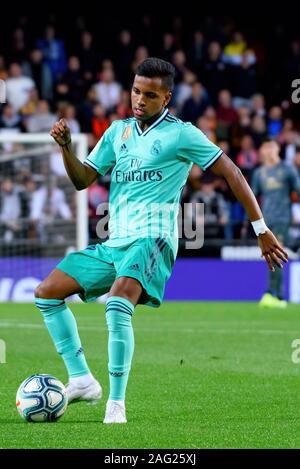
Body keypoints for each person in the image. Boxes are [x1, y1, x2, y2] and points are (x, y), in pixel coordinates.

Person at [35, 58, 288, 425]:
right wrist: (66, 149)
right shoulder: (117, 132)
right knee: (46, 292)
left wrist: (261, 229)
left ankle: (116, 404)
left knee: (117, 303)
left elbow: (231, 171)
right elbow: (81, 180)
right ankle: (82, 379)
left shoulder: (182, 133)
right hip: (114, 241)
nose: (140, 100)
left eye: (150, 95)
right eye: (136, 91)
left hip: (153, 240)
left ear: (166, 98)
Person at [252, 138, 300, 307]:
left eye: (271, 147)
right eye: (265, 147)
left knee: (276, 255)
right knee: (268, 256)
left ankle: (277, 296)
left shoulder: (287, 170)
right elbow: (253, 197)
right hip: (265, 221)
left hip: (282, 219)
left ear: (277, 149)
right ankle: (272, 293)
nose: (268, 151)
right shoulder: (259, 173)